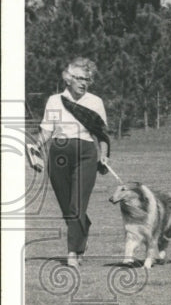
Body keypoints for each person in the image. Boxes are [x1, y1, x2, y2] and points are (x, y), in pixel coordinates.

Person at [30, 57, 112, 268]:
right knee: (68, 208)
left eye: (88, 79)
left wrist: (103, 155)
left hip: (85, 152)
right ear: (68, 79)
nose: (84, 83)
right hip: (59, 153)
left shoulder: (95, 102)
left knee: (77, 203)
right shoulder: (54, 101)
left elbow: (102, 135)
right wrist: (36, 146)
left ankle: (72, 252)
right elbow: (46, 130)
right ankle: (82, 229)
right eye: (79, 78)